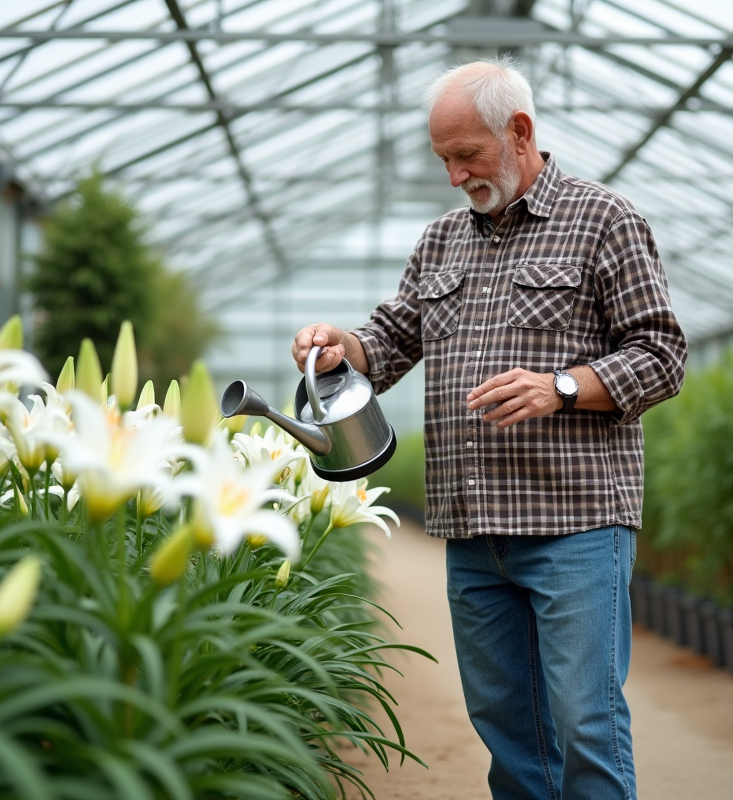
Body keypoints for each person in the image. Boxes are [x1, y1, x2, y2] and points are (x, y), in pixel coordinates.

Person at [291, 58, 686, 800]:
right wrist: (342, 345)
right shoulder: (441, 242)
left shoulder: (605, 221)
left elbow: (662, 355)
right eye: (443, 159)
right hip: (472, 535)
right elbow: (391, 339)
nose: (454, 176)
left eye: (466, 155)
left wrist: (561, 387)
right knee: (508, 733)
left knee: (586, 727)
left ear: (520, 131)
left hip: (574, 527)